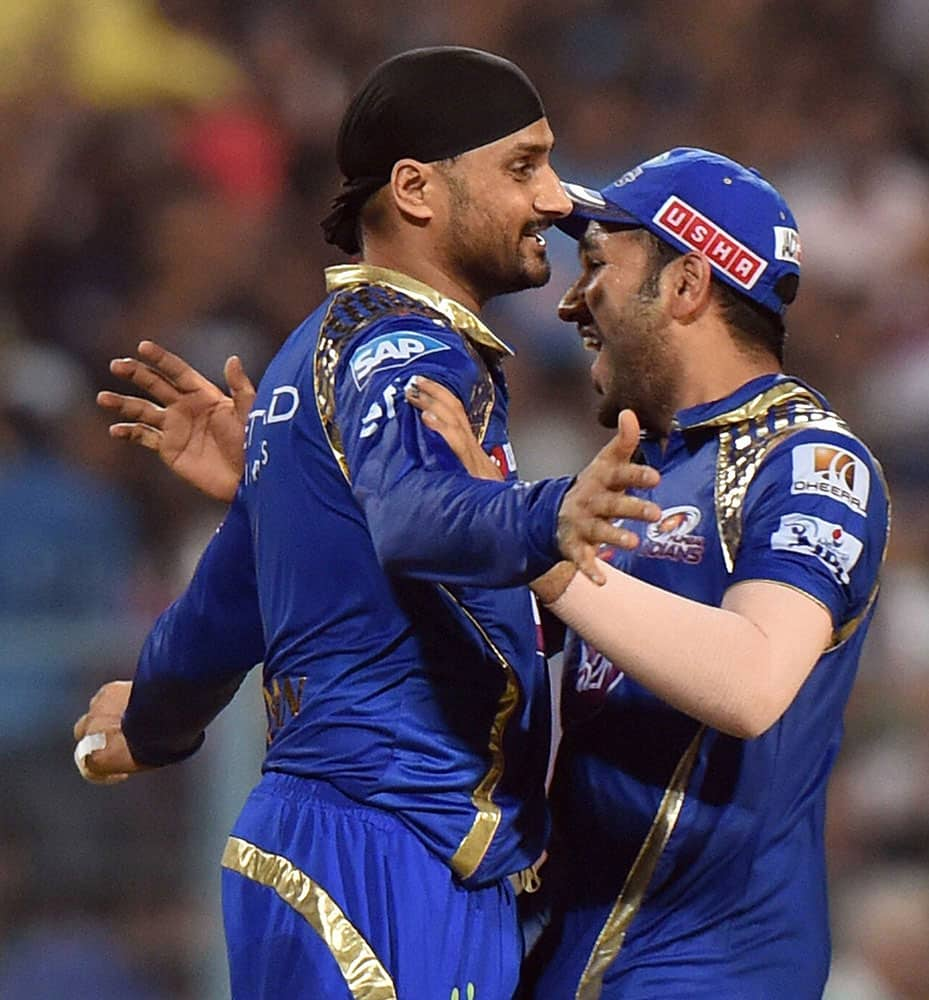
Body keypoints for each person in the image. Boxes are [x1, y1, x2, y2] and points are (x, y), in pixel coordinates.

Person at [72, 47, 661, 1000]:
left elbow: (231, 602)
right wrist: (555, 511)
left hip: (373, 847)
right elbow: (414, 516)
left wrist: (151, 720)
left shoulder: (323, 353)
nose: (557, 200)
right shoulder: (403, 347)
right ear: (417, 190)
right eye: (523, 166)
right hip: (378, 846)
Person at [410, 148, 891, 999]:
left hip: (713, 969)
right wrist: (287, 496)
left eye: (596, 262)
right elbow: (479, 635)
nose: (569, 298)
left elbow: (750, 680)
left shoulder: (810, 459)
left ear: (685, 286)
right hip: (571, 954)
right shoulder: (639, 470)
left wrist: (544, 555)